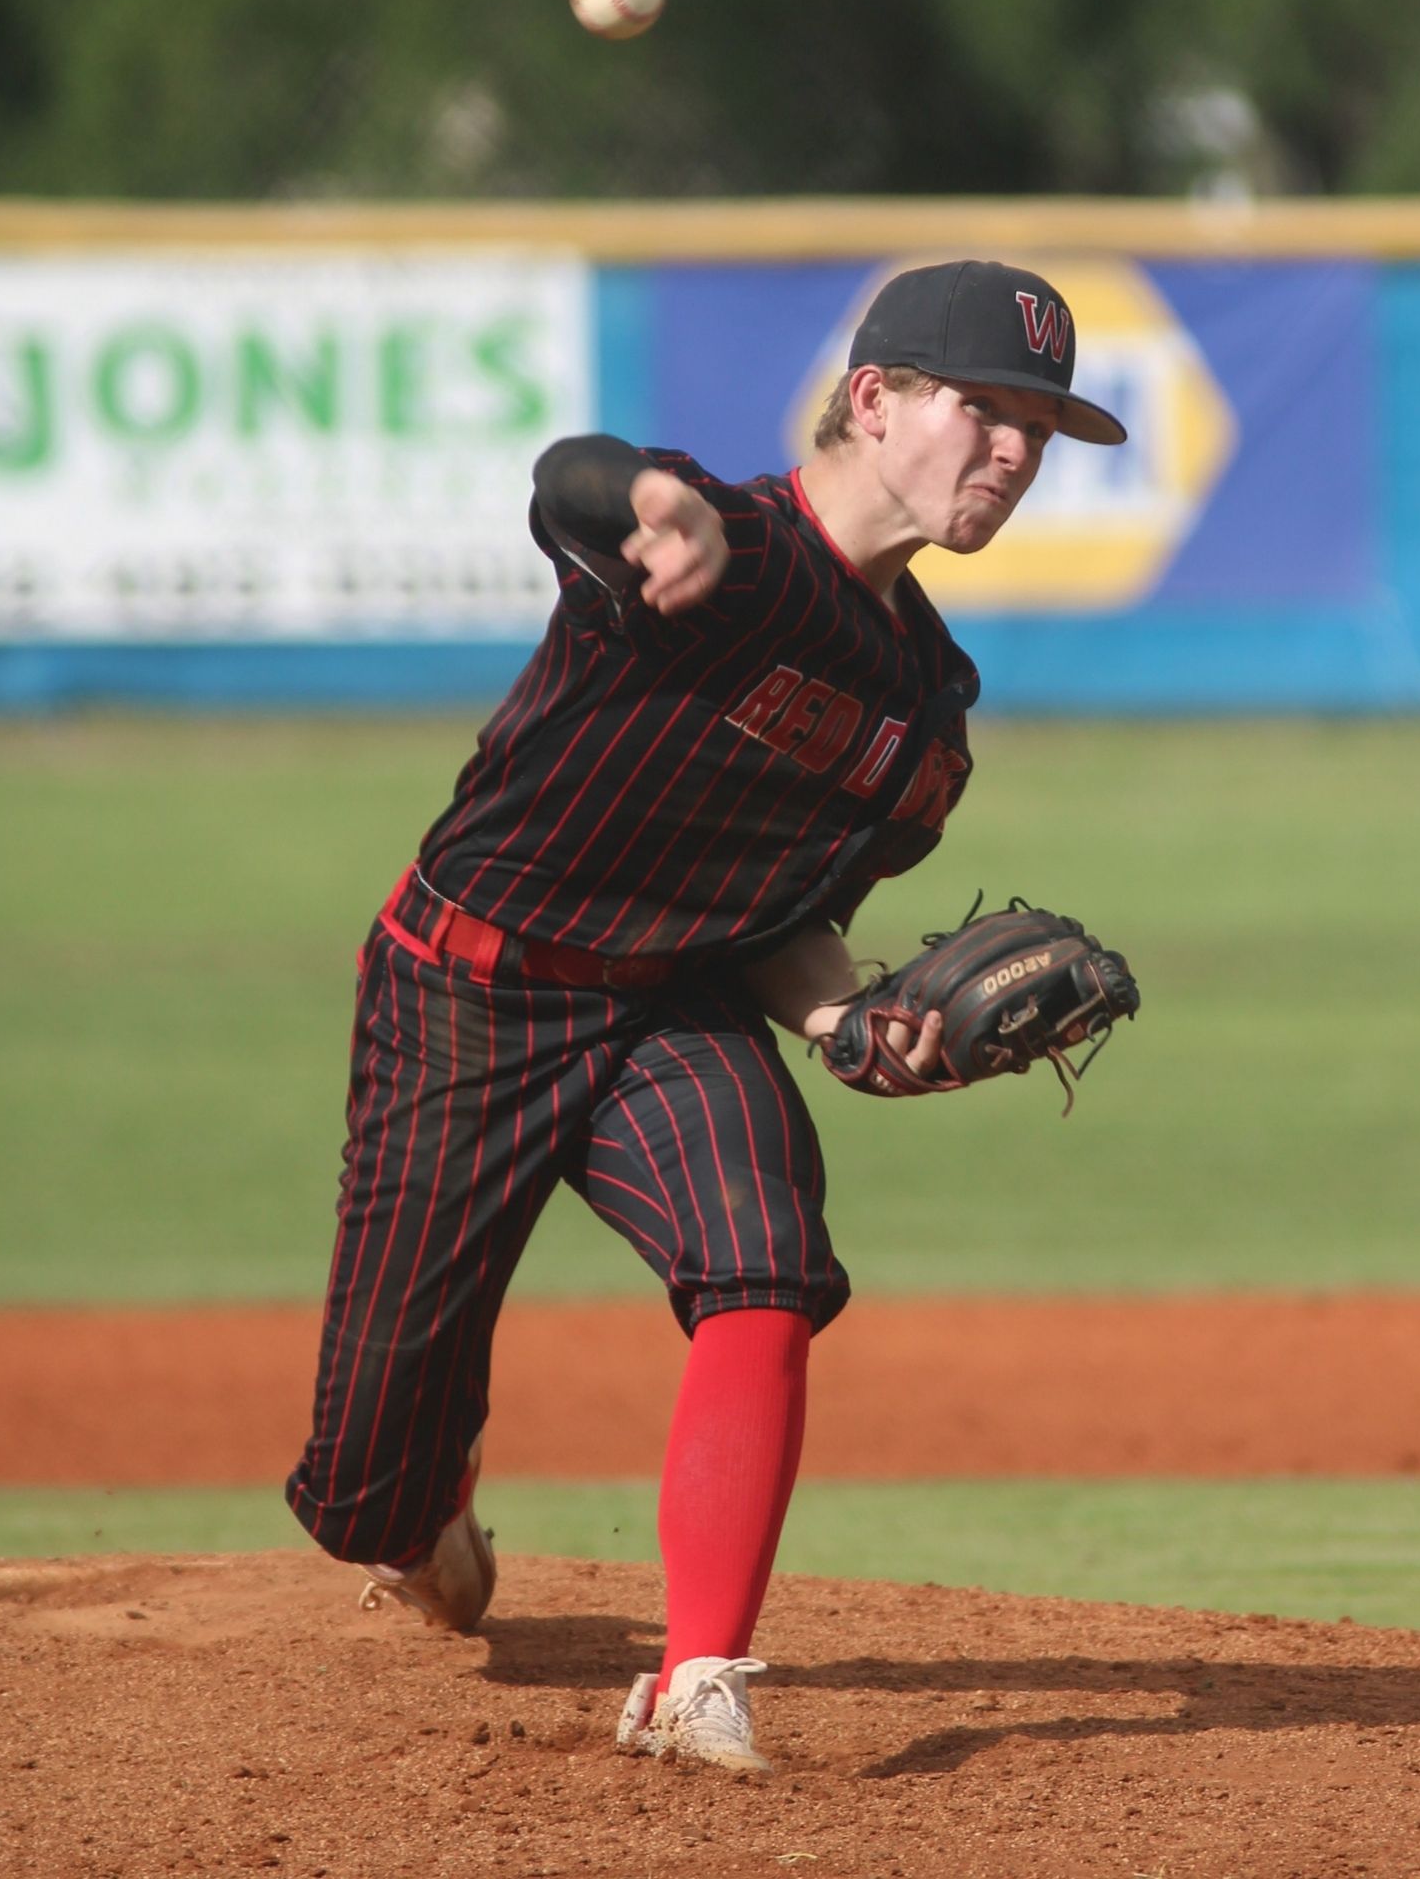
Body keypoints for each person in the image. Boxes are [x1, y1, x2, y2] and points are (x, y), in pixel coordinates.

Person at [285, 259, 1127, 1773]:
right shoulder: (719, 544)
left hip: (666, 1011)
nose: (1017, 452)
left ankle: (697, 1680)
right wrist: (647, 506)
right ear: (873, 401)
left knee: (767, 1261)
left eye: (1041, 431)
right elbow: (576, 482)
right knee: (361, 1498)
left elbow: (778, 931)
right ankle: (423, 1497)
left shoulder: (924, 712)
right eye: (987, 409)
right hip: (463, 995)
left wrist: (851, 1024)